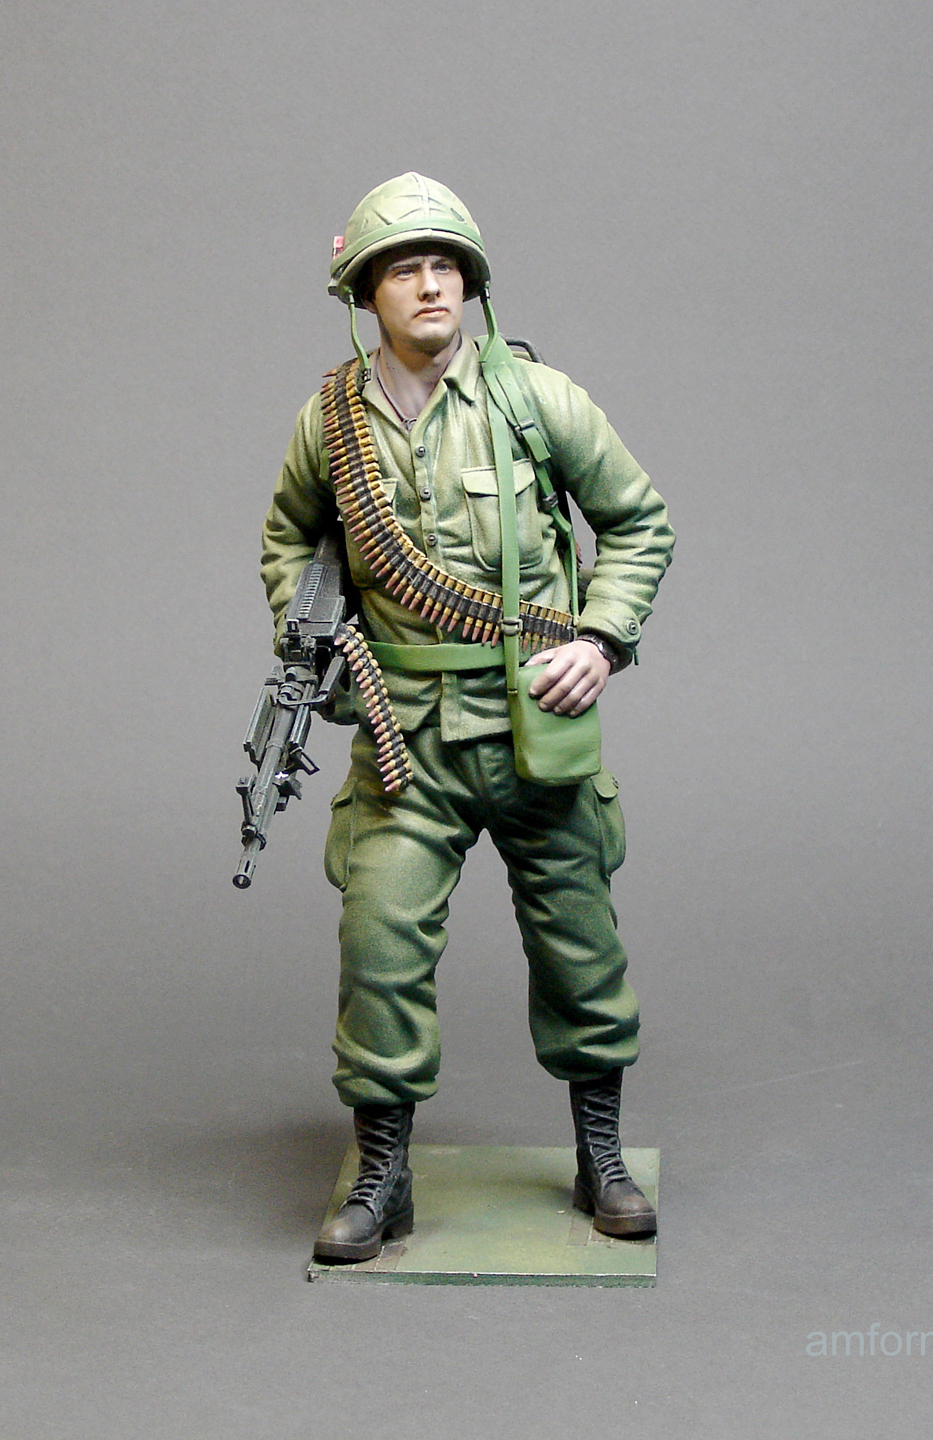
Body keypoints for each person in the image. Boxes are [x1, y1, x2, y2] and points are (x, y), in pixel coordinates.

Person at [259, 173, 675, 1262]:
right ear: (369, 294)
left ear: (471, 282)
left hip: (538, 725)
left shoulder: (535, 400)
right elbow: (289, 540)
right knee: (379, 944)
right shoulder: (331, 421)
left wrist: (599, 640)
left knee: (581, 948)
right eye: (405, 269)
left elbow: (638, 522)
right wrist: (313, 642)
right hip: (403, 740)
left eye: (445, 265)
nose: (431, 284)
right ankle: (382, 1171)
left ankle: (601, 1154)